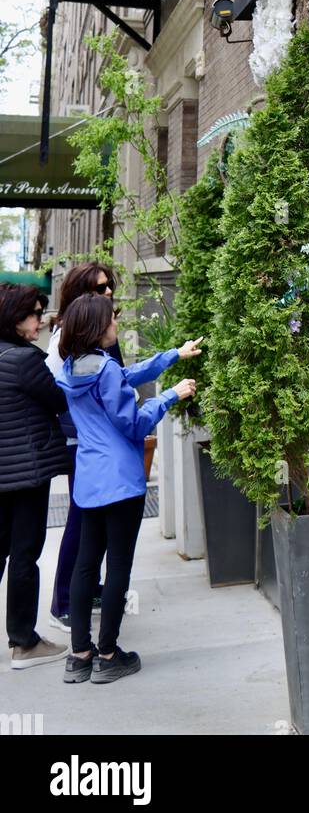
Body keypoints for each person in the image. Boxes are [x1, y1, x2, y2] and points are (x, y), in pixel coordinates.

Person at [56, 293, 201, 684]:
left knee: (86, 565)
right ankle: (108, 655)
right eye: (111, 320)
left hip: (89, 482)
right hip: (120, 482)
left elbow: (125, 375)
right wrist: (171, 395)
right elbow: (134, 424)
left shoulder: (73, 368)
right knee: (117, 565)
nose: (116, 324)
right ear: (97, 328)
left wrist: (173, 354)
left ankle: (80, 655)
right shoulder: (104, 370)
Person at [0, 283, 73, 668]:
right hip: (27, 473)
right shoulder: (26, 360)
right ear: (15, 320)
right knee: (25, 555)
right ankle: (24, 642)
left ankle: (22, 639)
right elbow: (58, 399)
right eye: (34, 314)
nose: (40, 320)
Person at [45, 262, 121, 632]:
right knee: (81, 520)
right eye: (99, 288)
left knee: (96, 522)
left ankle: (86, 590)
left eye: (109, 286)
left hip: (99, 441)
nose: (108, 293)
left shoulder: (100, 333)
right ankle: (63, 600)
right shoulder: (65, 341)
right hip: (83, 443)